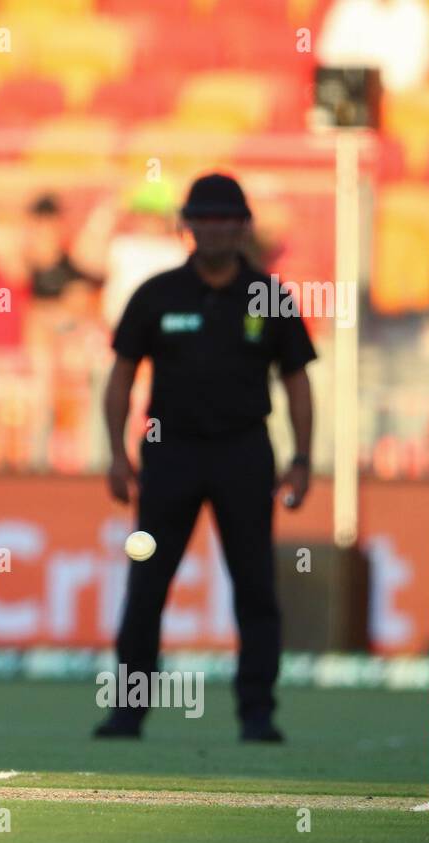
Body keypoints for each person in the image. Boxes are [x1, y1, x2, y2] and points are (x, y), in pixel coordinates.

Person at [97, 173, 316, 743]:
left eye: (227, 219)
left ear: (244, 226)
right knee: (148, 585)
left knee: (255, 586)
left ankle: (258, 713)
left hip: (245, 451)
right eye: (205, 218)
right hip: (170, 453)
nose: (216, 228)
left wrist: (302, 458)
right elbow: (122, 375)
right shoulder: (156, 293)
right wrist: (117, 455)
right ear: (186, 225)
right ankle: (128, 710)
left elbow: (297, 381)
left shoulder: (269, 295)